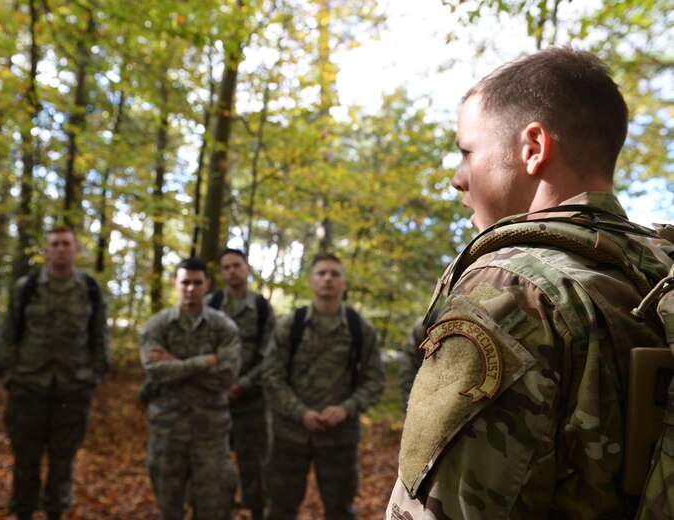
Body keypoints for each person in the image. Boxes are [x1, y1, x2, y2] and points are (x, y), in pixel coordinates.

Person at [387, 47, 674, 519]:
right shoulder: (655, 274)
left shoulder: (513, 290)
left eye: (467, 152)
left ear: (533, 148)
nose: (458, 179)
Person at [264, 252, 385, 520]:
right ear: (310, 280)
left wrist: (345, 409)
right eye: (321, 273)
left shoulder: (359, 328)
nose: (328, 278)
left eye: (334, 274)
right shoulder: (290, 326)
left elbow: (375, 381)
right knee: (280, 508)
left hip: (339, 439)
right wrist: (300, 413)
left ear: (344, 282)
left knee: (340, 510)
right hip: (290, 436)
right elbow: (272, 377)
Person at [0, 225, 109, 520]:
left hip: (73, 392)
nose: (60, 249)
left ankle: (55, 513)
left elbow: (99, 338)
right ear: (46, 251)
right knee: (25, 462)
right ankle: (22, 512)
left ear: (76, 250)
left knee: (63, 464)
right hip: (28, 389)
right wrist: (10, 378)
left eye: (66, 244)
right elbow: (9, 335)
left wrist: (94, 377)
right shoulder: (28, 288)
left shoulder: (90, 289)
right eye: (54, 244)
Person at [141, 257, 241, 520]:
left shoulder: (223, 327)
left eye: (197, 283)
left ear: (207, 285)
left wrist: (176, 363)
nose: (190, 288)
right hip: (167, 432)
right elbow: (154, 371)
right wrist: (204, 362)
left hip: (210, 434)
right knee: (168, 509)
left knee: (213, 509)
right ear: (175, 283)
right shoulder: (158, 325)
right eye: (185, 282)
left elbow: (226, 376)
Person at [206, 248, 276, 520]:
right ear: (222, 272)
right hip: (213, 402)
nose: (232, 271)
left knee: (255, 468)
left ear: (246, 268)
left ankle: (256, 512)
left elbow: (269, 357)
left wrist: (241, 385)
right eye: (226, 267)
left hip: (252, 405)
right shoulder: (210, 304)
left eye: (237, 265)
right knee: (213, 465)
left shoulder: (260, 307)